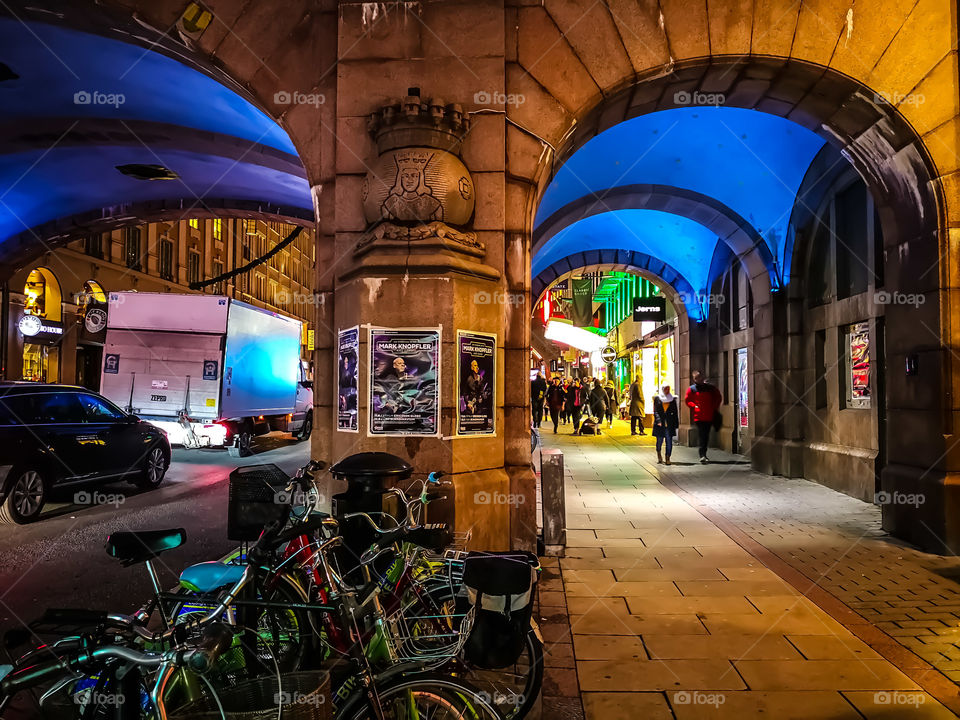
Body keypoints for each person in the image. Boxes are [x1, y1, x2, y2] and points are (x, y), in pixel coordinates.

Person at [685, 370, 723, 463]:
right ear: (694, 379)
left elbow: (718, 397)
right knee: (703, 434)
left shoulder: (710, 388)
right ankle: (702, 454)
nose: (698, 379)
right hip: (698, 416)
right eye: (696, 378)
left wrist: (714, 407)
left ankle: (703, 453)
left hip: (709, 415)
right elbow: (687, 400)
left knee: (705, 434)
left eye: (699, 377)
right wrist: (694, 406)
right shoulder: (692, 389)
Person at [652, 384, 679, 464]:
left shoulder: (672, 399)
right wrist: (658, 421)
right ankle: (659, 454)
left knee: (669, 441)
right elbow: (656, 411)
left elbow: (675, 412)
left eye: (668, 389)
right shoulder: (658, 399)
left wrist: (676, 424)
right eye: (666, 389)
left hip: (669, 424)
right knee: (659, 441)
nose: (667, 390)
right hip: (660, 424)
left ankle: (668, 457)